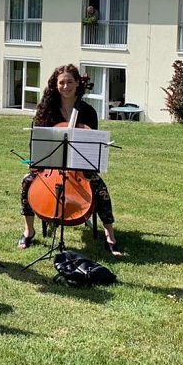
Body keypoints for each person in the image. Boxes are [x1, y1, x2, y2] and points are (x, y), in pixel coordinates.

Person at [18, 64, 122, 256]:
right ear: (55, 84)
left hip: (79, 166)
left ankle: (110, 236)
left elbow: (91, 144)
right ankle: (28, 230)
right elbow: (36, 144)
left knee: (100, 188)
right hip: (50, 165)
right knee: (27, 182)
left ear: (78, 83)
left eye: (70, 82)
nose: (66, 86)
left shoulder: (88, 112)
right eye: (61, 82)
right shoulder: (46, 109)